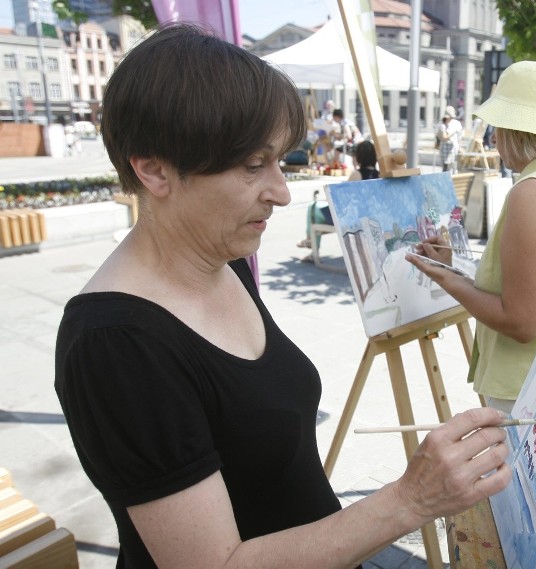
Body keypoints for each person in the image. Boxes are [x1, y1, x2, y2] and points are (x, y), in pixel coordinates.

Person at [53, 24, 510, 569]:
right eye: (252, 166)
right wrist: (411, 499)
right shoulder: (114, 344)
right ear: (154, 168)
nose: (282, 191)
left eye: (279, 161)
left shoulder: (223, 260)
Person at [406, 61, 536, 413]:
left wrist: (446, 279)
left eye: (499, 125)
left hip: (525, 393)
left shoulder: (534, 192)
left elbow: (521, 320)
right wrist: (458, 265)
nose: (493, 138)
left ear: (521, 129)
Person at [437, 105, 463, 174]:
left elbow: (459, 137)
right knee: (445, 167)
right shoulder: (442, 124)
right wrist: (453, 132)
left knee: (454, 167)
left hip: (453, 148)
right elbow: (444, 137)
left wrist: (460, 147)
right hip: (444, 148)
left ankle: (452, 181)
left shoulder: (456, 123)